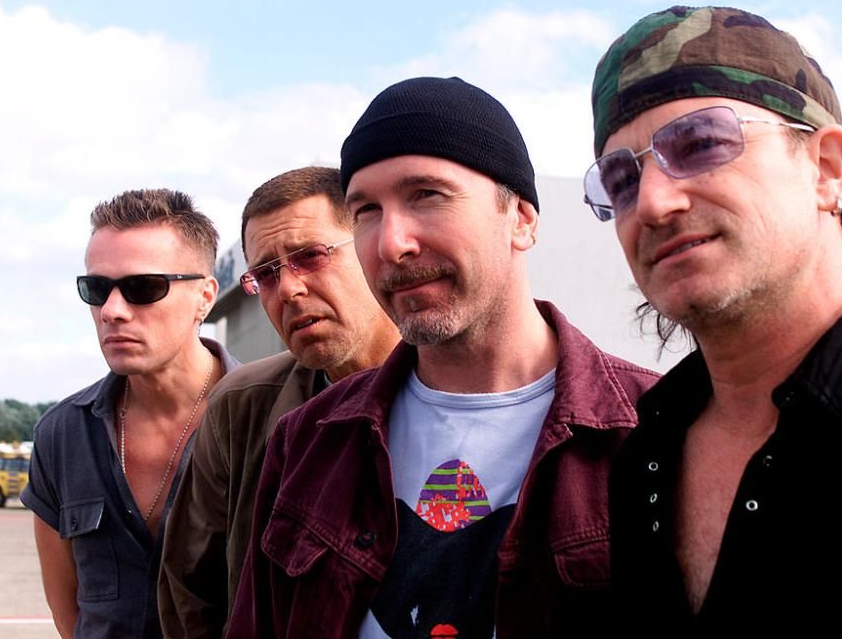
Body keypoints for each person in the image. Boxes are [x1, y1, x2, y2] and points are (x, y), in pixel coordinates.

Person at [226, 76, 658, 638]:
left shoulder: (653, 431)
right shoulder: (308, 442)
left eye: (426, 195)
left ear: (522, 218)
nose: (391, 243)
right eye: (366, 211)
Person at [584, 5, 842, 632]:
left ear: (827, 169)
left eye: (700, 144)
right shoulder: (644, 457)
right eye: (621, 180)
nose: (654, 203)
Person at [158, 167, 400, 638]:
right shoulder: (240, 408)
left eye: (310, 256)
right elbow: (190, 590)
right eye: (265, 274)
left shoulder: (465, 392)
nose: (288, 289)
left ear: (370, 246)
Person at [23, 189, 240, 639]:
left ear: (205, 297)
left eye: (143, 288)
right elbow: (69, 613)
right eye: (97, 289)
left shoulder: (272, 421)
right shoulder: (62, 434)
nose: (112, 311)